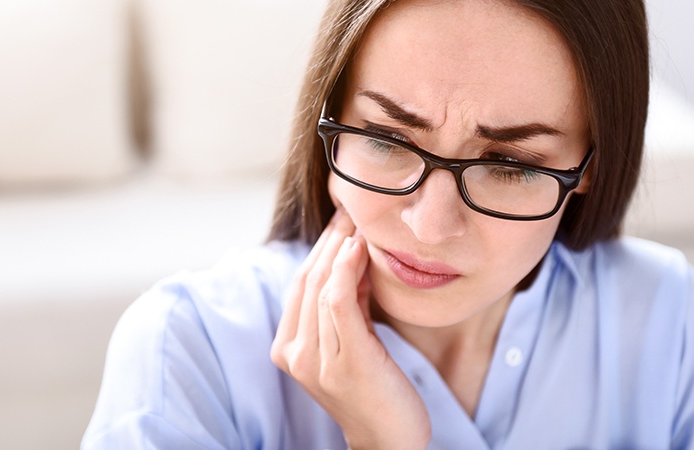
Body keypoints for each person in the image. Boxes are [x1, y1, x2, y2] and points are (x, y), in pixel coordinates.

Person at [82, 0, 694, 448]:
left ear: (590, 165)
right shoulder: (189, 353)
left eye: (507, 165)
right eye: (384, 137)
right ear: (330, 114)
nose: (429, 225)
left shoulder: (670, 326)